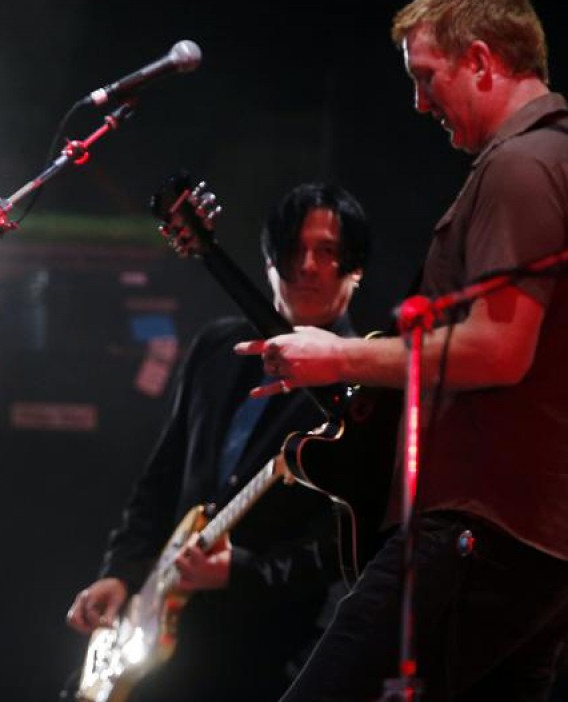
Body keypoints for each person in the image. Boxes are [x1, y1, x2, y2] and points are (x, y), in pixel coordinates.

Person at [237, 1, 568, 699]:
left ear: (480, 60)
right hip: (531, 542)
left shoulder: (521, 165)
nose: (419, 105)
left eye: (426, 77)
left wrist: (341, 357)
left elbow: (499, 350)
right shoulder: (548, 158)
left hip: (475, 530)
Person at [65, 182, 372, 701]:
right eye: (293, 249)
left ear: (355, 268)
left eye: (328, 252)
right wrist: (121, 573)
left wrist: (244, 571)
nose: (307, 266)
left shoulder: (356, 391)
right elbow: (160, 484)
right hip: (161, 647)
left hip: (265, 658)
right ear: (269, 258)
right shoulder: (216, 348)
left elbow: (345, 552)